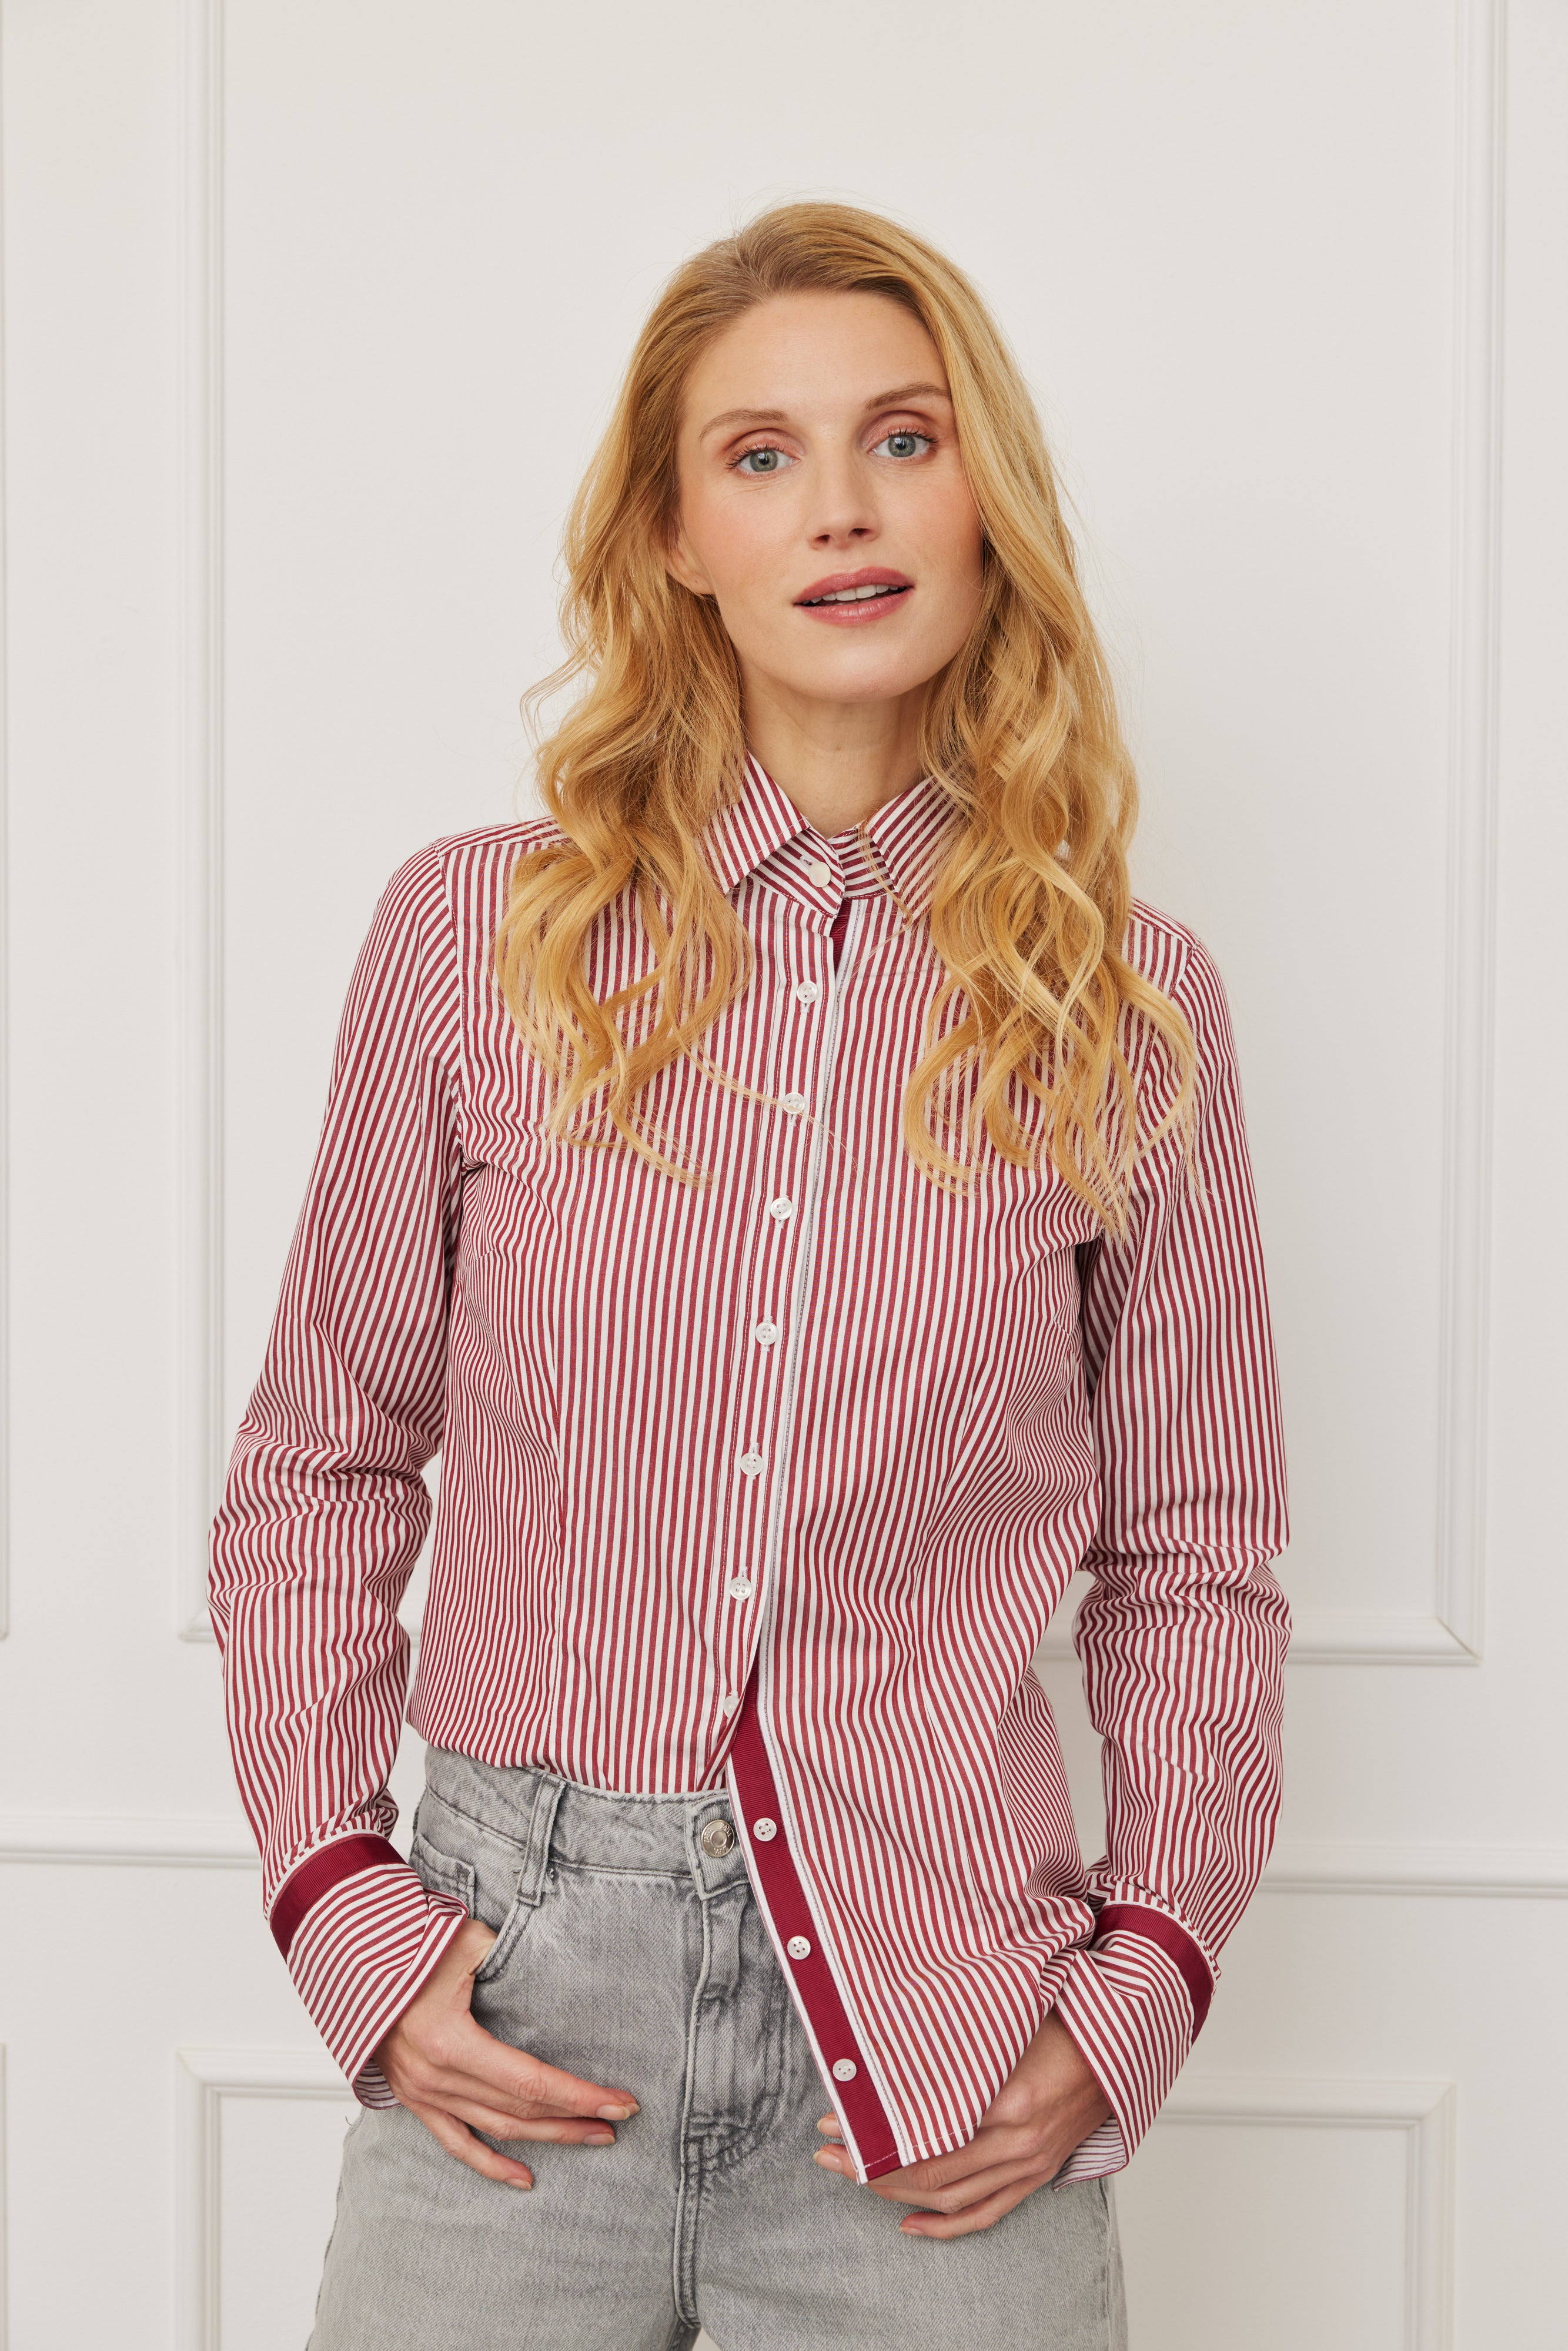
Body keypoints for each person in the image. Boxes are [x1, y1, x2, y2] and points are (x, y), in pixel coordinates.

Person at [210, 202, 1289, 2350]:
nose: (842, 510)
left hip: (943, 2033)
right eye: (762, 456)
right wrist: (343, 1907)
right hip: (512, 2010)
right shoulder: (473, 940)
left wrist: (1141, 1982)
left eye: (903, 439)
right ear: (674, 535)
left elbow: (1194, 1561)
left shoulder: (1124, 1003)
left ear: (983, 498)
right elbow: (320, 1466)